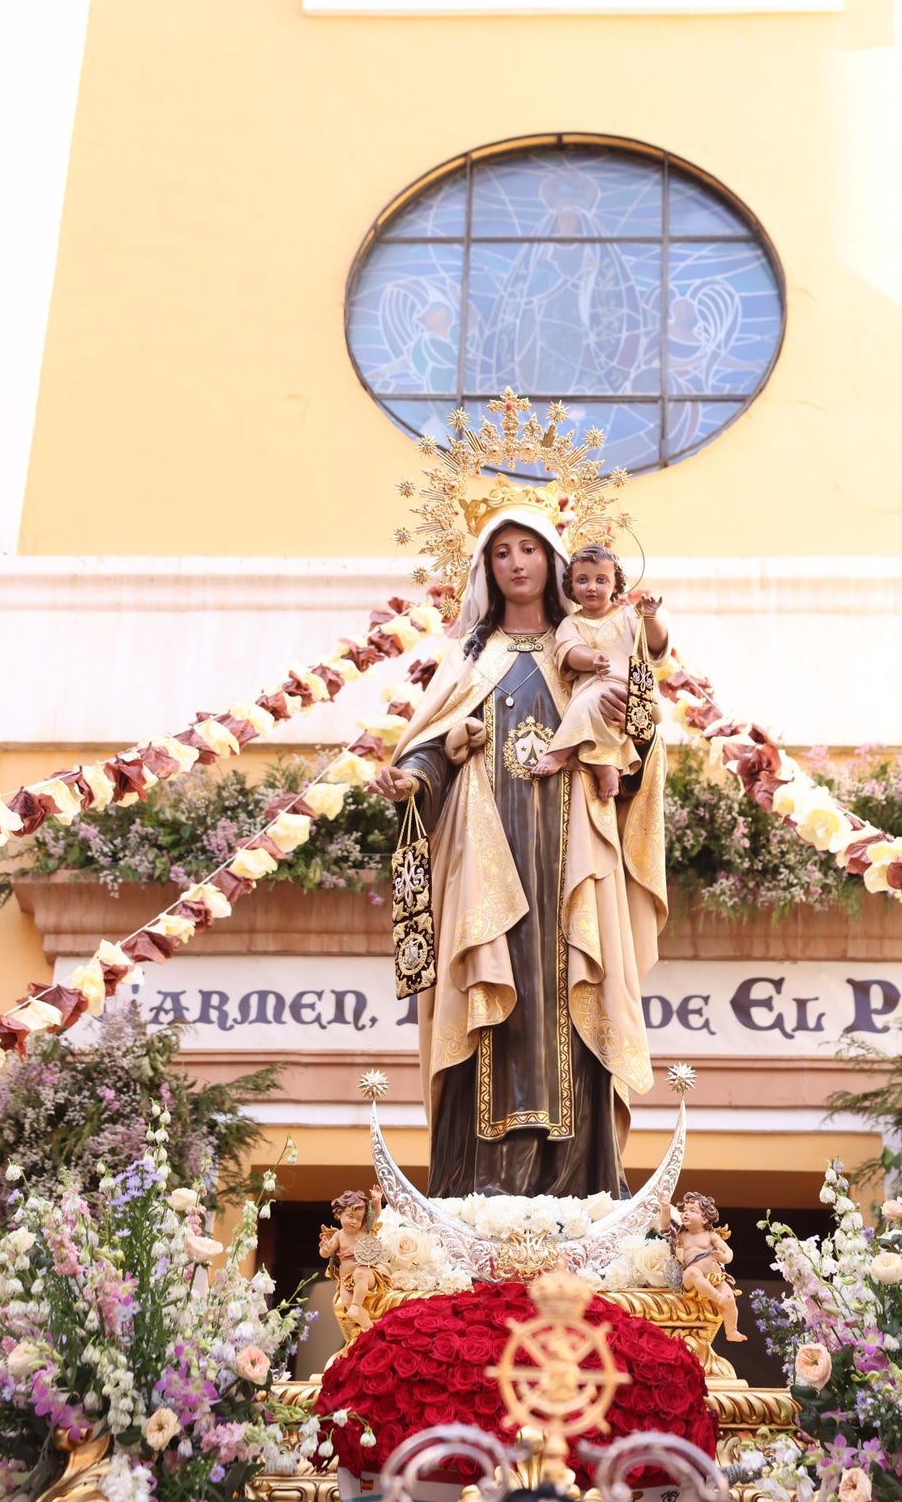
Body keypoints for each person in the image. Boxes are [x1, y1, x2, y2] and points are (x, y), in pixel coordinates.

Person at [372, 495, 667, 1199]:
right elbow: (427, 751)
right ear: (485, 568)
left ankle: (579, 1187)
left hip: (572, 858)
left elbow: (637, 745)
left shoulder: (587, 650)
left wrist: (631, 732)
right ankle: (480, 1184)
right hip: (487, 858)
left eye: (527, 550)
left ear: (554, 560)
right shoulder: (472, 659)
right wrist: (414, 773)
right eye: (501, 553)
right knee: (495, 992)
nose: (515, 564)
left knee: (569, 987)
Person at [530, 543, 668, 801]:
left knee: (587, 705)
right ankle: (605, 769)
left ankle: (559, 753)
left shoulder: (628, 616)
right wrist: (593, 660)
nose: (591, 587)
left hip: (627, 689)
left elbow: (655, 646)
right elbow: (569, 652)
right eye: (582, 580)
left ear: (616, 585)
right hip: (592, 685)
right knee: (589, 714)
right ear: (571, 586)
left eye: (601, 580)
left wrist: (650, 619)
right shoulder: (572, 623)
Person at [658, 1190, 746, 1343]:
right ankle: (716, 1297)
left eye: (692, 1211)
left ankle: (731, 1330)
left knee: (730, 1299)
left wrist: (724, 1257)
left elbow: (729, 1252)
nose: (686, 1213)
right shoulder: (682, 1234)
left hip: (715, 1278)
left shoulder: (711, 1235)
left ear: (705, 1218)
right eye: (684, 1210)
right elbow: (665, 1227)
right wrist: (665, 1208)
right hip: (691, 1280)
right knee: (692, 1271)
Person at [319, 1184, 389, 1338]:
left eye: (359, 1218)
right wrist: (324, 1248)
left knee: (360, 1274)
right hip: (346, 1280)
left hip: (367, 1274)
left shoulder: (364, 1230)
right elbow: (326, 1253)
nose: (354, 1221)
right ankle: (369, 1329)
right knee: (346, 1303)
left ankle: (357, 1305)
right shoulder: (338, 1236)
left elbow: (376, 1214)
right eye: (350, 1216)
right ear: (339, 1214)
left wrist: (377, 1201)